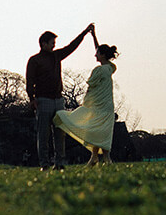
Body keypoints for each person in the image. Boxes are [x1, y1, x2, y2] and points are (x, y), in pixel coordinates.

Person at [26, 22, 94, 169]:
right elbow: (30, 80)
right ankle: (44, 164)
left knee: (60, 134)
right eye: (51, 43)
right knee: (43, 135)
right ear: (43, 44)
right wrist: (32, 99)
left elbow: (71, 47)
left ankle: (60, 163)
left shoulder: (57, 56)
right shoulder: (34, 60)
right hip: (43, 100)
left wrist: (84, 32)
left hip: (58, 100)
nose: (54, 46)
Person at [53, 29, 118, 167]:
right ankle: (94, 157)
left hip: (97, 106)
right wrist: (94, 36)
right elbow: (102, 52)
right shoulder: (110, 68)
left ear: (102, 55)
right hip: (107, 106)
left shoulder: (99, 70)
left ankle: (105, 158)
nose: (95, 55)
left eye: (97, 53)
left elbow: (91, 84)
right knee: (100, 131)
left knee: (97, 131)